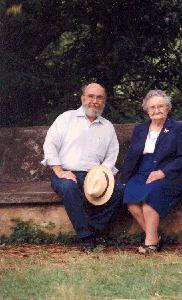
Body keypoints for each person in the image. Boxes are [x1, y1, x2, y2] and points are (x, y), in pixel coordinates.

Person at [41, 83, 123, 252]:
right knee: (69, 187)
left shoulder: (107, 126)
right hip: (66, 173)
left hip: (95, 176)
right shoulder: (66, 118)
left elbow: (111, 155)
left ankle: (93, 229)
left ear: (104, 101)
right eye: (91, 96)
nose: (95, 101)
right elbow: (50, 144)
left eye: (99, 97)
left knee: (120, 191)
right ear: (83, 98)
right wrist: (59, 171)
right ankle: (86, 238)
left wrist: (101, 177)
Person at [120, 90, 182, 254]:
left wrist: (163, 172)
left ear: (167, 108)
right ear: (147, 110)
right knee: (131, 200)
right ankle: (155, 237)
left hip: (171, 172)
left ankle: (150, 243)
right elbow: (131, 156)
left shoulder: (177, 128)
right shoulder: (140, 129)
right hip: (143, 172)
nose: (156, 110)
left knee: (150, 197)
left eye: (160, 106)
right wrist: (124, 180)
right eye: (152, 107)